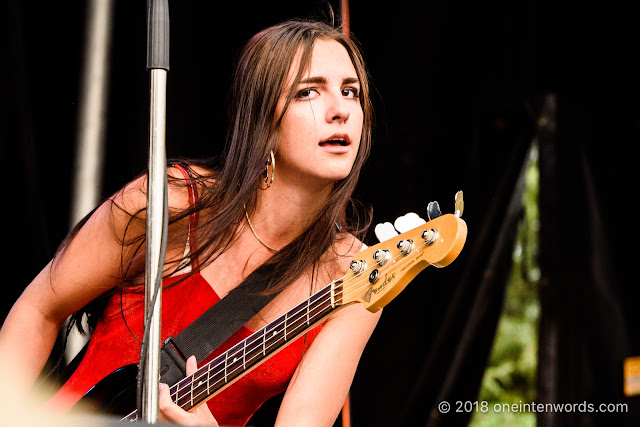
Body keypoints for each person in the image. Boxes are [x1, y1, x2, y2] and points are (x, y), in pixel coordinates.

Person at [0, 18, 380, 426]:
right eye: (309, 91)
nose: (340, 110)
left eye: (350, 92)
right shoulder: (172, 203)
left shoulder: (353, 274)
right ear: (263, 118)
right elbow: (38, 310)